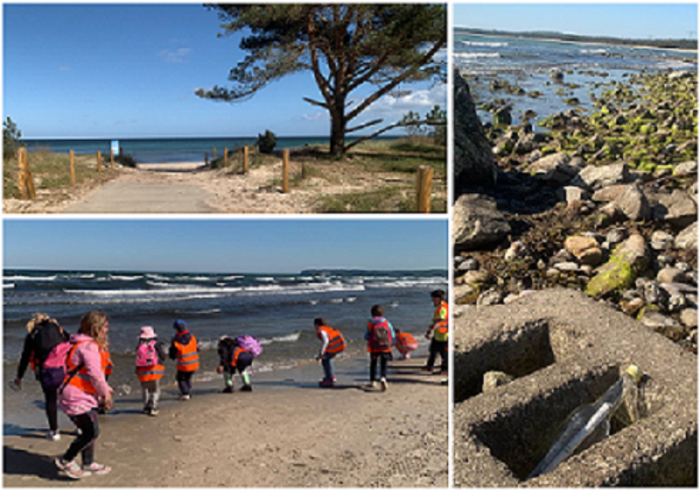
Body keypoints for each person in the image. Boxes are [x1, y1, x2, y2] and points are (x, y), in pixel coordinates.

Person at [55, 311, 113, 479]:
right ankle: (66, 459)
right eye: (105, 327)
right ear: (96, 328)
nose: (107, 330)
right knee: (90, 432)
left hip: (83, 394)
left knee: (91, 430)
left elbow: (95, 375)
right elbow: (95, 375)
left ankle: (88, 462)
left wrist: (105, 388)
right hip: (75, 396)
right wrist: (105, 394)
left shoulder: (83, 344)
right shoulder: (89, 347)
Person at [13, 313, 69, 441]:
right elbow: (71, 345)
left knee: (50, 400)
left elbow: (25, 357)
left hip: (46, 372)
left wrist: (19, 376)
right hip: (64, 369)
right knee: (68, 398)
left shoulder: (32, 335)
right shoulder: (59, 330)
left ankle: (54, 432)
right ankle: (80, 426)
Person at [135, 326, 166, 416]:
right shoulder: (156, 344)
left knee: (145, 390)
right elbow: (162, 356)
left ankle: (146, 407)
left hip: (142, 373)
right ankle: (153, 406)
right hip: (154, 371)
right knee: (155, 390)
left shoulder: (139, 345)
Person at [365, 305, 394, 391]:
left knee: (373, 363)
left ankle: (373, 381)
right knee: (383, 364)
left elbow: (367, 335)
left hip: (374, 348)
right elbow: (392, 334)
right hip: (385, 347)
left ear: (372, 314)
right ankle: (383, 377)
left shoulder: (370, 323)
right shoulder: (386, 322)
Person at [168, 319, 199, 400]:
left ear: (176, 329)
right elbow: (197, 348)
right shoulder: (192, 337)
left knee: (180, 378)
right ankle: (187, 390)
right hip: (194, 363)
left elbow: (172, 353)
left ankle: (185, 393)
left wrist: (172, 357)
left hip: (184, 365)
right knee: (188, 377)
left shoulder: (176, 341)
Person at [314, 318, 346, 388]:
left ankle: (329, 378)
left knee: (325, 360)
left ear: (316, 325)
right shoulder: (327, 328)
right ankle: (330, 376)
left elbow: (325, 341)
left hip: (335, 346)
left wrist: (321, 353)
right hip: (340, 345)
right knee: (328, 358)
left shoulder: (322, 331)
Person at [423, 289, 448, 375]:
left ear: (439, 298)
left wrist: (430, 331)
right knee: (433, 350)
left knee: (444, 353)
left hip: (444, 334)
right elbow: (436, 320)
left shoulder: (443, 308)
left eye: (433, 298)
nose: (432, 300)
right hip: (439, 334)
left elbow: (440, 321)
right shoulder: (439, 307)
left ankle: (445, 369)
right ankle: (430, 366)